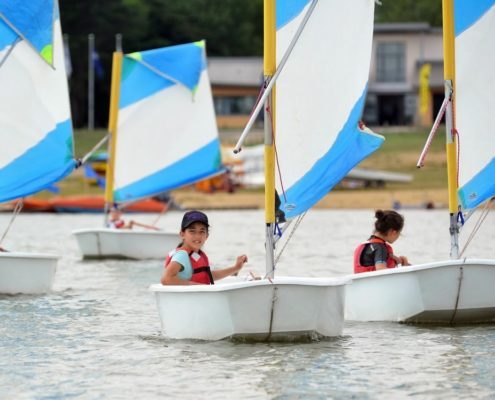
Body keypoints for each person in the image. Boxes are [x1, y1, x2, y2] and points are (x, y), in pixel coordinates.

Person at [161, 210, 247, 285]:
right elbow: (166, 279)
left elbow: (207, 276)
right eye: (192, 231)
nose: (197, 236)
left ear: (207, 236)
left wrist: (236, 268)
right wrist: (199, 287)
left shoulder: (197, 255)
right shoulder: (182, 256)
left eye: (201, 232)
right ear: (182, 234)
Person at [354, 209, 410, 274]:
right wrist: (405, 269)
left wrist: (397, 260)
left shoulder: (367, 245)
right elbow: (381, 270)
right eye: (399, 233)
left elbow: (372, 260)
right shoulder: (380, 248)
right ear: (393, 232)